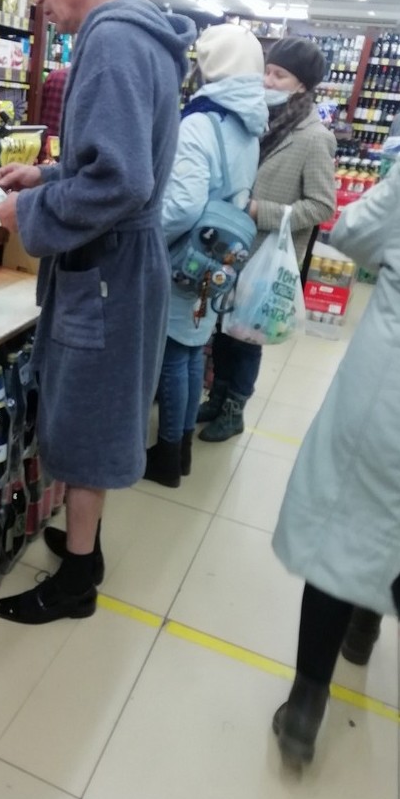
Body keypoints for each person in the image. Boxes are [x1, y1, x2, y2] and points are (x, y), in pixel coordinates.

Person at [0, 0, 195, 624]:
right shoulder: (141, 36)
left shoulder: (110, 41)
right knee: (95, 411)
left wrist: (29, 212)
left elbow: (120, 181)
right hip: (121, 266)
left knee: (86, 421)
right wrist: (48, 177)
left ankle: (77, 580)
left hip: (107, 270)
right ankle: (88, 547)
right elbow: (118, 163)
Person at [271, 153, 400, 766]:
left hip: (388, 391)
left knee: (345, 523)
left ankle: (306, 703)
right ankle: (367, 624)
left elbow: (350, 231)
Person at [143, 24, 267, 488]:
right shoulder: (247, 124)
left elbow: (181, 206)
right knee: (195, 349)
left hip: (185, 254)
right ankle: (182, 449)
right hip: (219, 256)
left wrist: (147, 240)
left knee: (173, 355)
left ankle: (167, 456)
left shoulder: (200, 123)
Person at [199, 37, 337, 442]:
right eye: (268, 71)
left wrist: (264, 211)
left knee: (247, 336)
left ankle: (234, 410)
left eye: (280, 75)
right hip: (233, 248)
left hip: (266, 255)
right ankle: (217, 396)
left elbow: (322, 205)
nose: (268, 81)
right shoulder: (256, 120)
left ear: (302, 85)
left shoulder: (314, 137)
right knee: (223, 328)